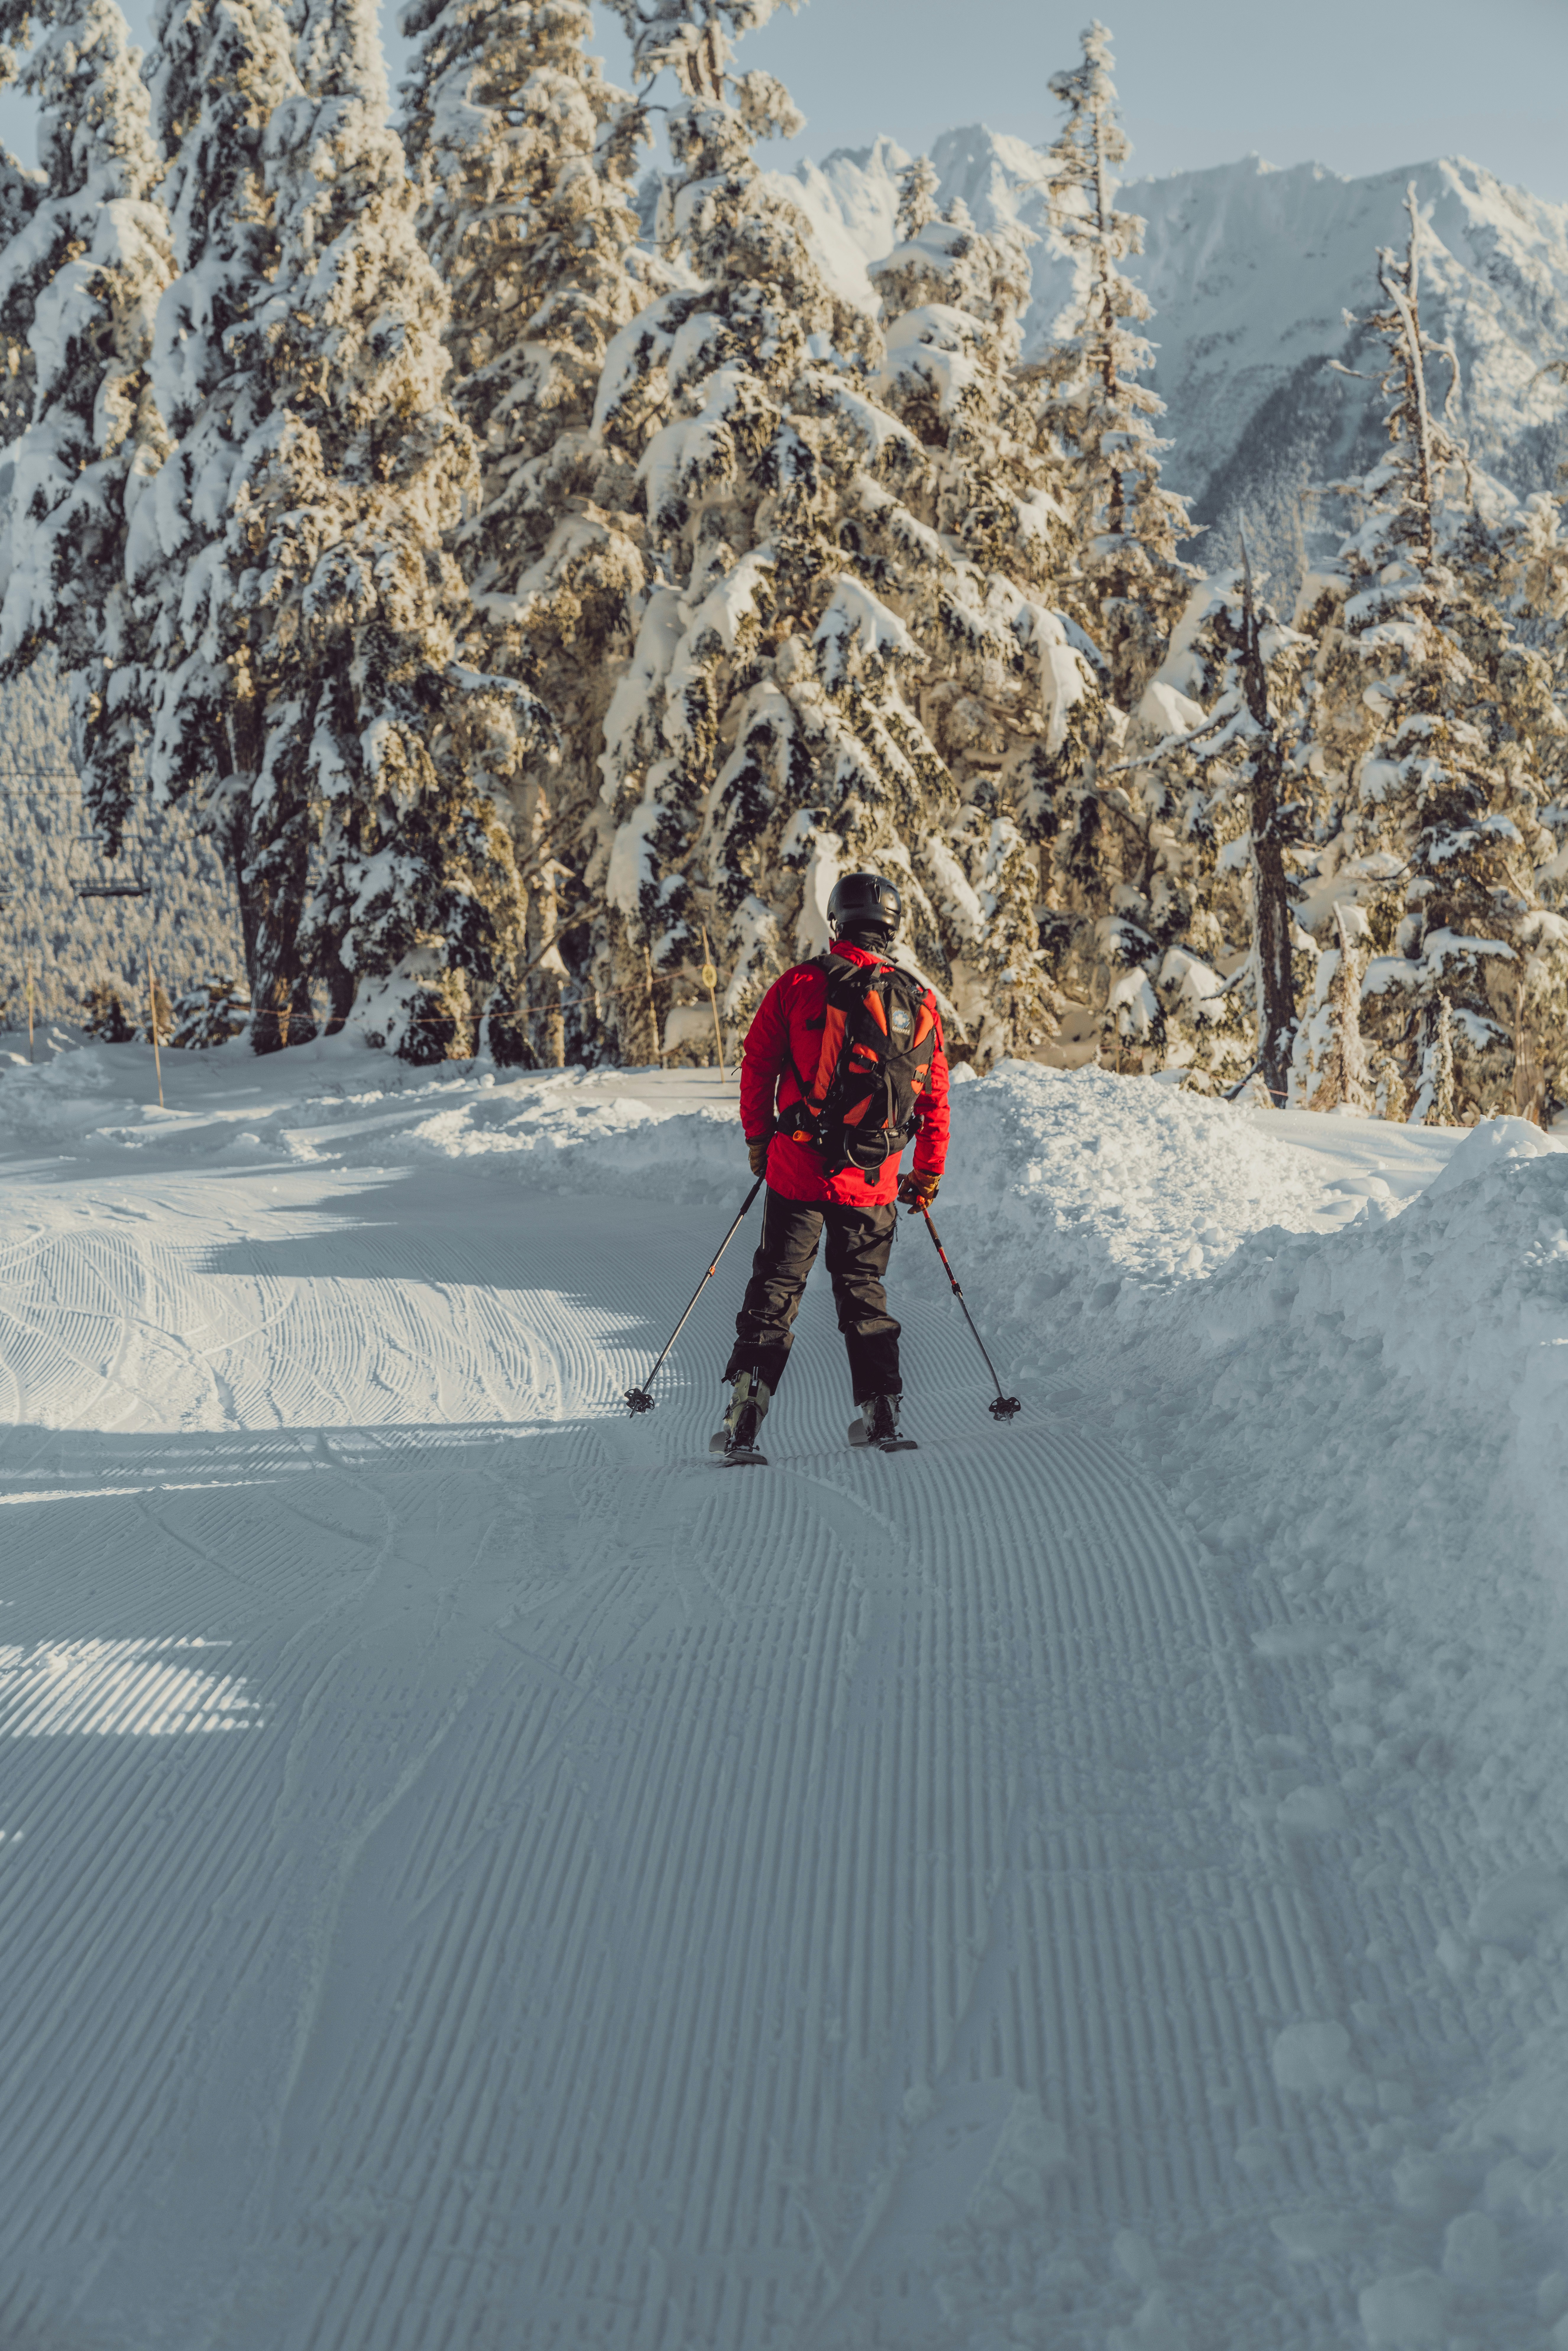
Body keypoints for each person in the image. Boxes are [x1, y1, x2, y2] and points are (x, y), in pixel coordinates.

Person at [719, 870, 950, 1458]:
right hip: (873, 1178)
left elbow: (757, 1065)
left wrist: (758, 1137)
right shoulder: (918, 998)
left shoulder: (798, 983)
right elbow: (935, 1098)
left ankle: (745, 1415)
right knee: (863, 1288)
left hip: (798, 1167)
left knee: (776, 1286)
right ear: (892, 928)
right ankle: (882, 1413)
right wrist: (926, 1172)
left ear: (836, 919)